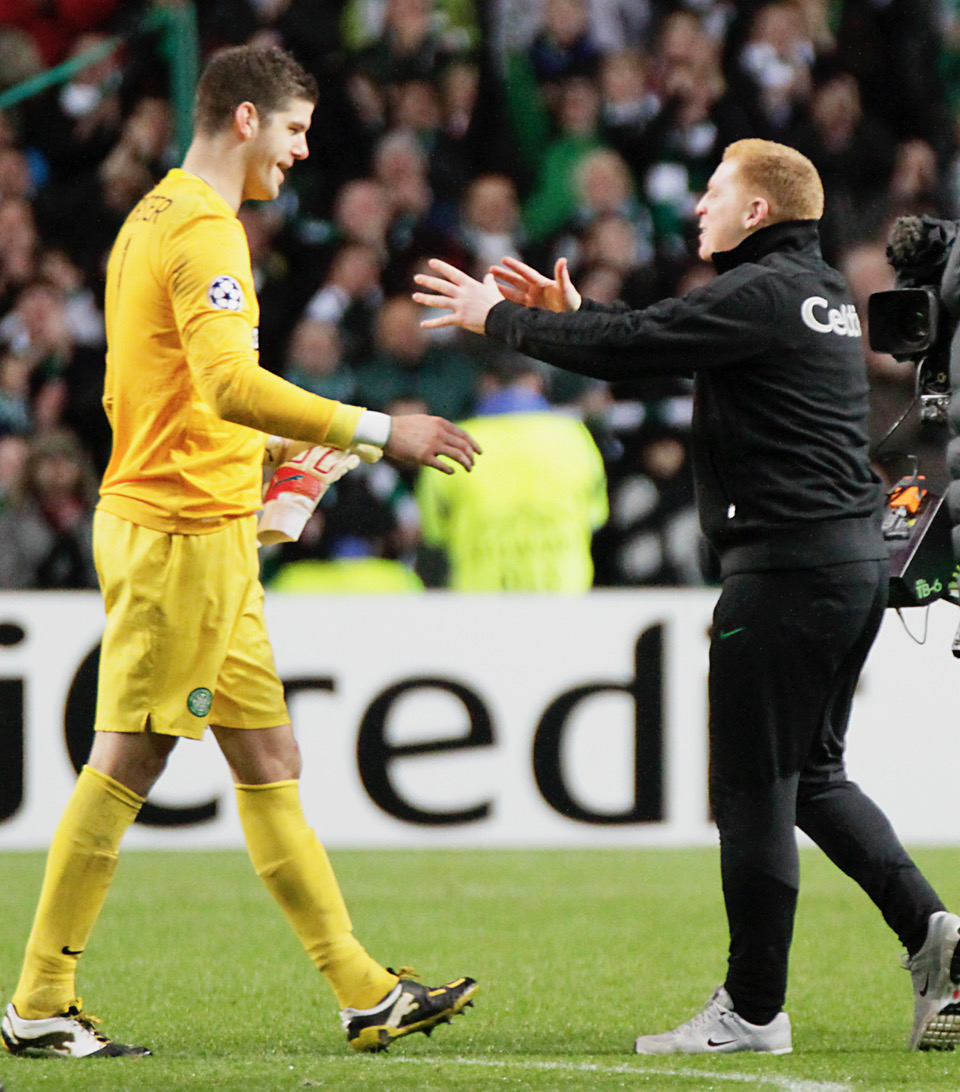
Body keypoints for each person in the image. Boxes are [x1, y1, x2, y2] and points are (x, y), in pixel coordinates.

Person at [412, 137, 960, 1053]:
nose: (698, 206)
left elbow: (637, 348)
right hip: (851, 561)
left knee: (750, 788)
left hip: (784, 572)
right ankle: (931, 932)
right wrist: (580, 313)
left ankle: (752, 1012)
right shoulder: (814, 294)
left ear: (758, 212)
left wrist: (497, 318)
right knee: (810, 778)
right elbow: (660, 337)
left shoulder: (762, 291)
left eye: (715, 191)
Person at [1, 43, 480, 1062]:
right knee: (128, 759)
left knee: (270, 759)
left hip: (204, 524)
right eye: (297, 129)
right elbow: (226, 382)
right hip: (175, 535)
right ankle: (39, 999)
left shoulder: (152, 218)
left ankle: (361, 993)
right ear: (246, 119)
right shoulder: (209, 233)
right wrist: (372, 428)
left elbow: (153, 391)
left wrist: (267, 448)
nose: (304, 152)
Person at [415, 356, 608, 590]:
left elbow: (434, 530)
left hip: (483, 599)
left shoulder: (453, 442)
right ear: (535, 384)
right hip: (563, 592)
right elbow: (596, 515)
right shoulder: (573, 435)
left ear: (486, 385)